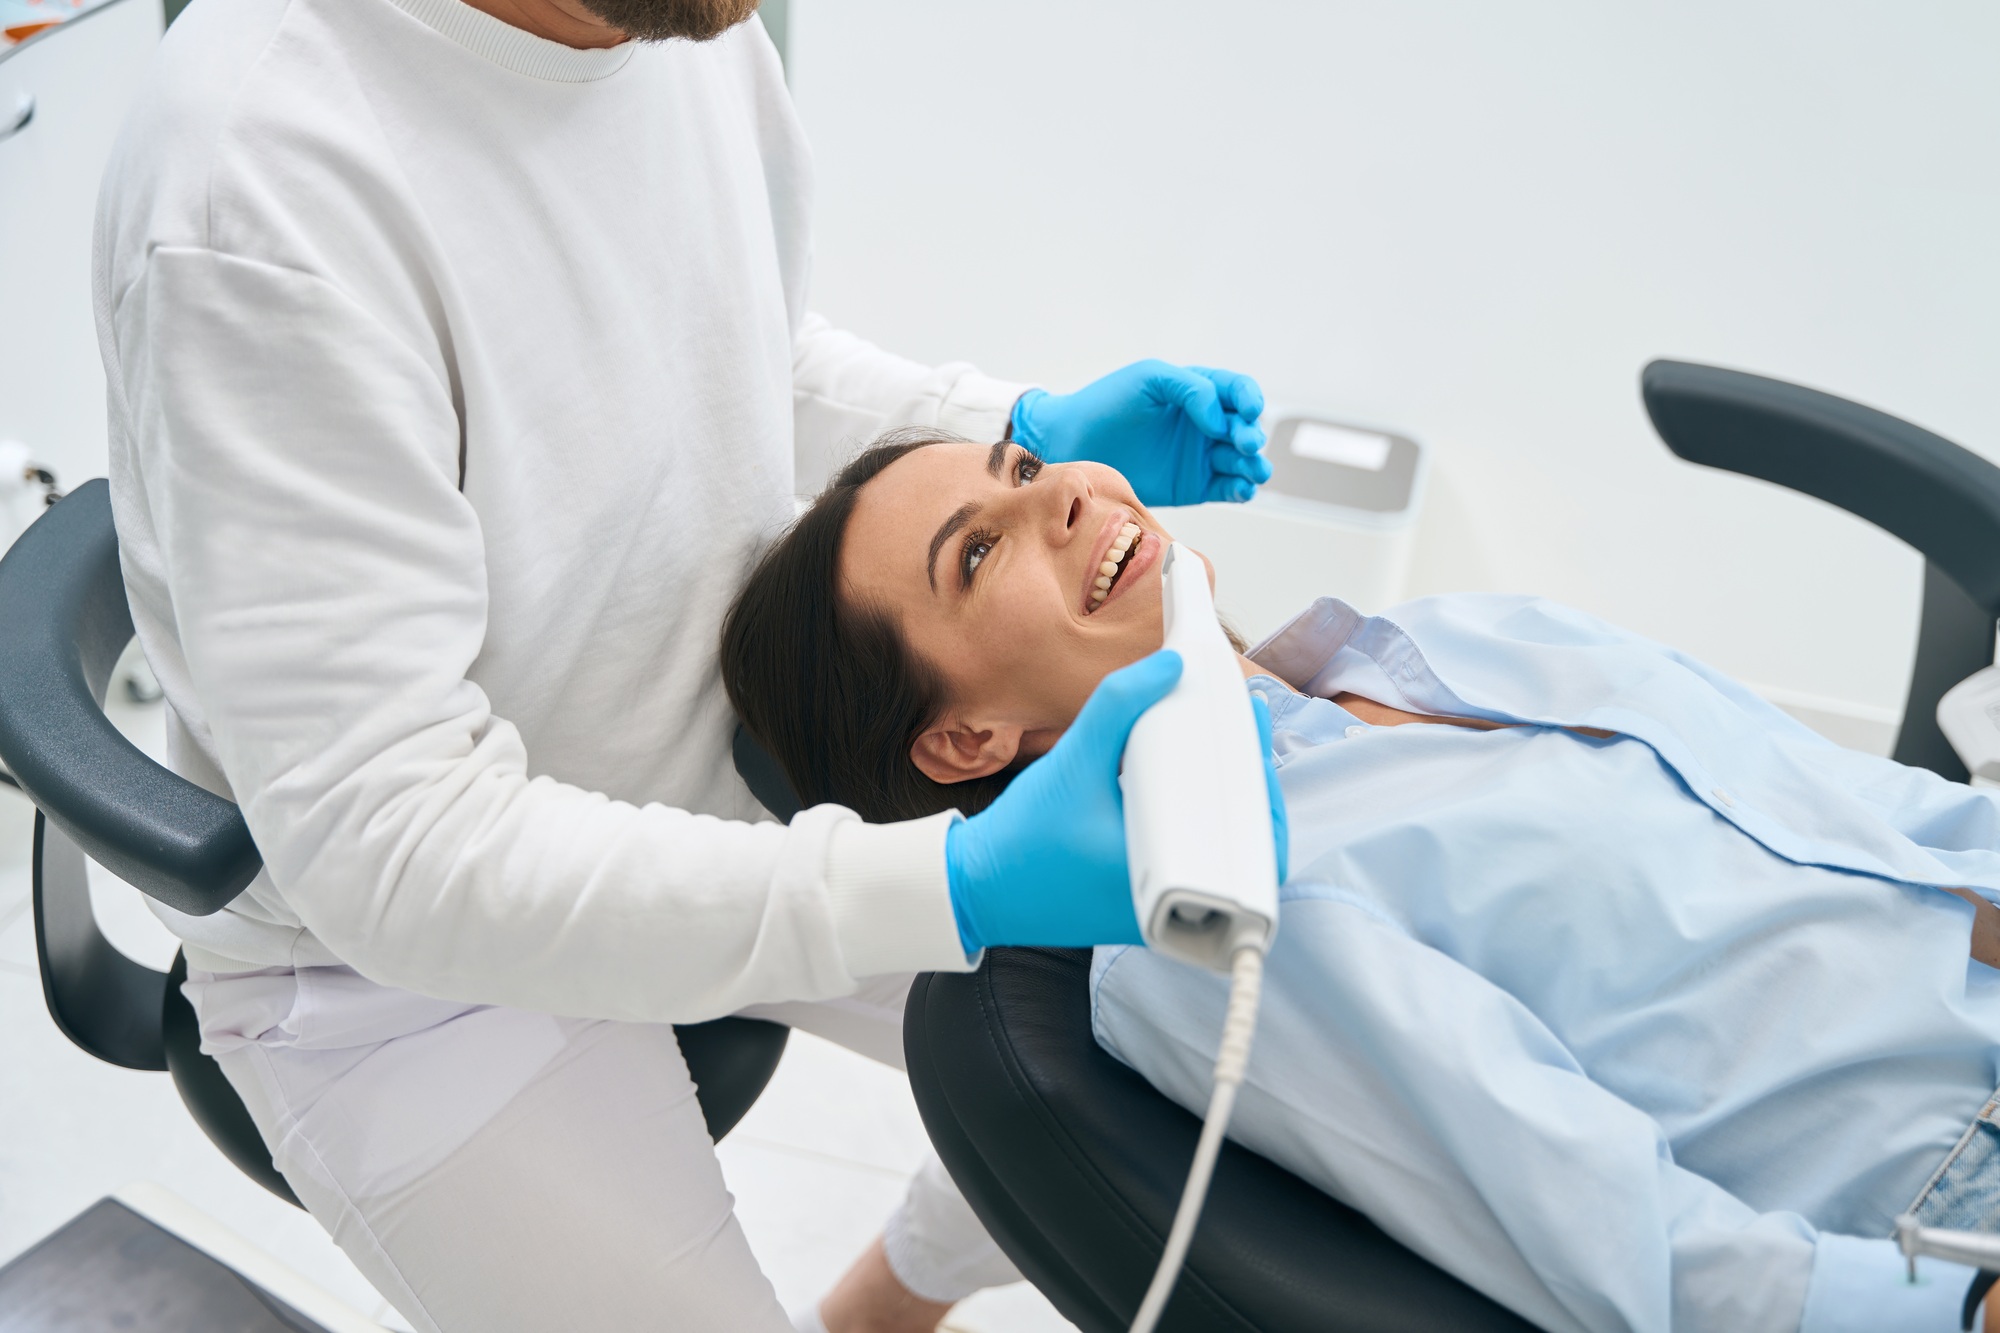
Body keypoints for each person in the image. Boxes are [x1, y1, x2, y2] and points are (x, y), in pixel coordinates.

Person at [91, 0, 1282, 1328]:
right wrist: (944, 881)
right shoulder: (258, 187)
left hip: (738, 779)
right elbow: (394, 845)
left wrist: (999, 424)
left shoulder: (679, 19)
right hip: (396, 967)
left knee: (1243, 1054)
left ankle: (893, 1292)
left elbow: (746, 348)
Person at [721, 429, 2000, 1333]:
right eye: (975, 554)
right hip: (1946, 1194)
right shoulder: (1226, 912)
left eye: (1021, 466)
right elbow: (1621, 1242)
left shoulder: (1443, 638)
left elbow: (1859, 815)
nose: (1057, 494)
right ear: (964, 741)